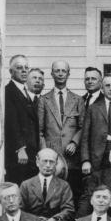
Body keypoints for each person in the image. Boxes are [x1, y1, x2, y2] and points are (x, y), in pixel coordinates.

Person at [19, 148, 75, 221]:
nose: (48, 165)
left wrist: (54, 219)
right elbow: (20, 210)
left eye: (52, 162)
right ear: (37, 162)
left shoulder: (63, 185)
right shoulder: (26, 185)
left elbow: (69, 209)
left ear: (56, 164)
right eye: (45, 161)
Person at [38, 60, 84, 194]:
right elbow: (40, 131)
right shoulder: (43, 100)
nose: (60, 74)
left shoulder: (78, 100)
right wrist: (45, 154)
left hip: (72, 158)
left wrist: (75, 142)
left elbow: (82, 127)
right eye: (57, 71)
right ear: (52, 74)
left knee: (72, 193)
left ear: (68, 74)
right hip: (52, 158)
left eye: (63, 71)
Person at [4, 54, 39, 181]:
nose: (24, 71)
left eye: (26, 67)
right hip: (19, 154)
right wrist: (20, 148)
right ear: (11, 72)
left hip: (31, 152)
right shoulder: (8, 92)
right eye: (19, 68)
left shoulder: (25, 91)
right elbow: (11, 122)